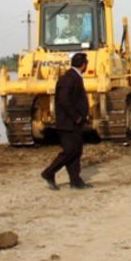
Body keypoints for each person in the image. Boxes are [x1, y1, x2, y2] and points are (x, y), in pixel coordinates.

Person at [41, 53, 92, 190]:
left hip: (74, 123)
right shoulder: (68, 79)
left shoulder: (74, 77)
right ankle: (49, 172)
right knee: (70, 151)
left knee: (76, 151)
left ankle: (75, 181)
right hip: (68, 123)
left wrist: (83, 118)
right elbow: (64, 100)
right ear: (84, 65)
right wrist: (76, 116)